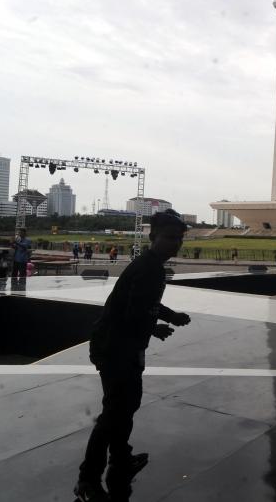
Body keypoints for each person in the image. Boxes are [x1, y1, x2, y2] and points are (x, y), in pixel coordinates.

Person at [75, 209, 191, 502]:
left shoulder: (153, 266)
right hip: (114, 348)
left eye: (178, 239)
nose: (174, 243)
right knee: (115, 411)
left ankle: (121, 459)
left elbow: (146, 302)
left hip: (126, 347)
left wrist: (170, 315)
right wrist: (156, 328)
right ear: (153, 237)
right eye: (168, 237)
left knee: (127, 405)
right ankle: (87, 479)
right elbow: (132, 313)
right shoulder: (148, 267)